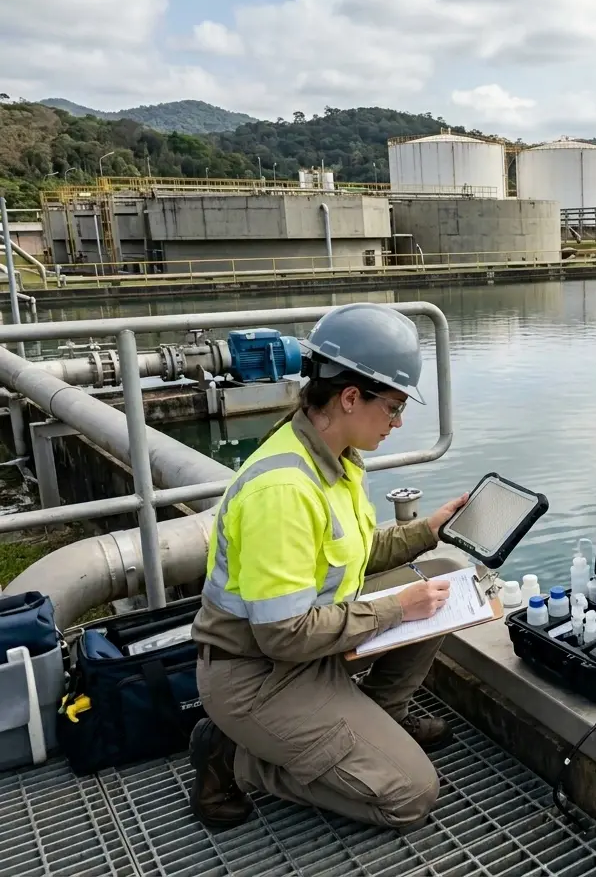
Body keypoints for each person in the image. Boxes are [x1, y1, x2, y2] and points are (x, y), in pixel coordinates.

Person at [188, 302, 470, 833]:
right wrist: (394, 609)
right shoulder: (284, 490)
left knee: (431, 585)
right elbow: (282, 636)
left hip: (299, 651)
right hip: (256, 674)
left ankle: (379, 723)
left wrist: (426, 531)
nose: (399, 421)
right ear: (348, 397)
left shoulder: (333, 456)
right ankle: (236, 759)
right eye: (392, 406)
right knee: (410, 794)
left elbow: (351, 557)